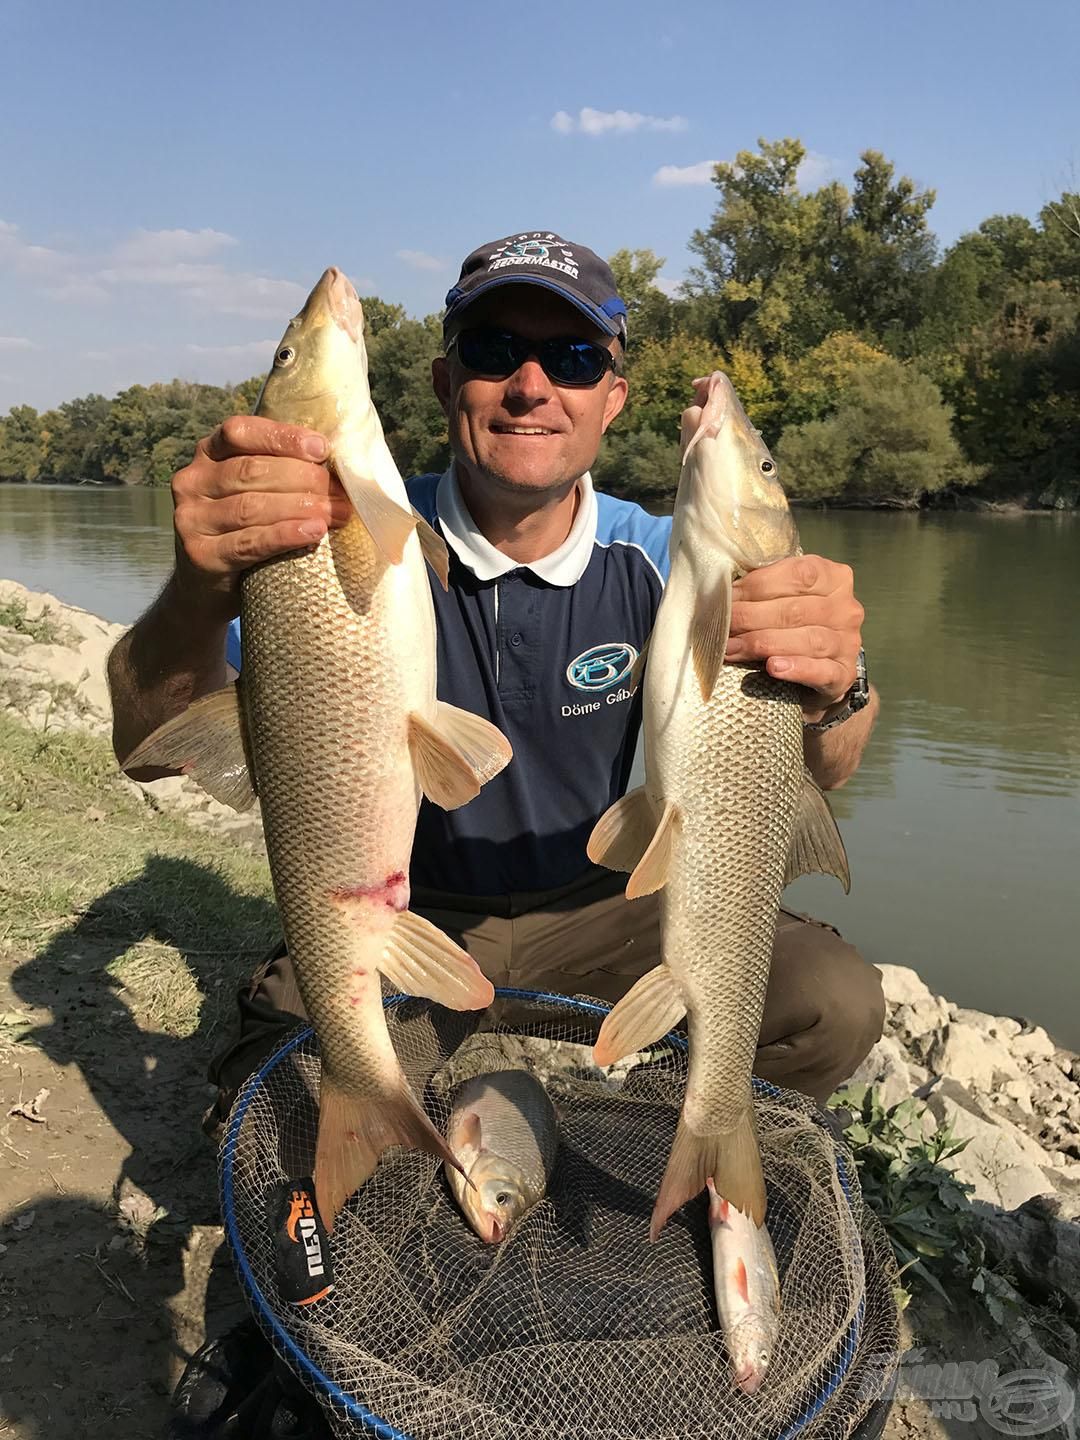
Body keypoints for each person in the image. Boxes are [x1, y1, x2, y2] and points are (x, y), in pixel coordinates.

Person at [107, 231, 884, 1135]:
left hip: (602, 909)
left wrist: (840, 684)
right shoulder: (315, 537)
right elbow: (147, 748)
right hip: (410, 911)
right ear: (444, 385)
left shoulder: (672, 560)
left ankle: (661, 1144)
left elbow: (825, 770)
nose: (530, 385)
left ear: (613, 400)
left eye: (575, 358)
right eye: (492, 352)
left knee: (834, 1003)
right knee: (278, 1104)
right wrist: (198, 593)